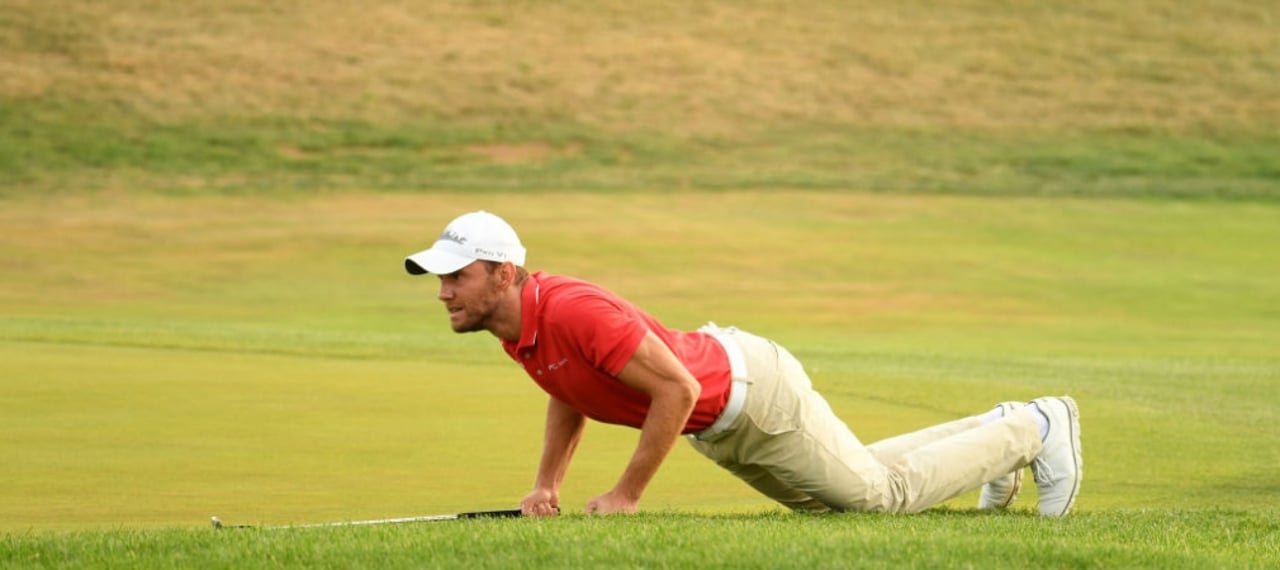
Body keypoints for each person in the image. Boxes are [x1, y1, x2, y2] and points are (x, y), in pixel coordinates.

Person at [404, 210, 1083, 517]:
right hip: (720, 421)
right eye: (439, 279)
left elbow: (677, 388)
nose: (442, 292)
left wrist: (627, 495)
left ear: (503, 272)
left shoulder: (573, 308)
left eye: (455, 277)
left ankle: (1035, 428)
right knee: (846, 498)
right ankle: (1000, 434)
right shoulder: (516, 328)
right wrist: (546, 483)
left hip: (751, 394)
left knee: (875, 499)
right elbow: (569, 389)